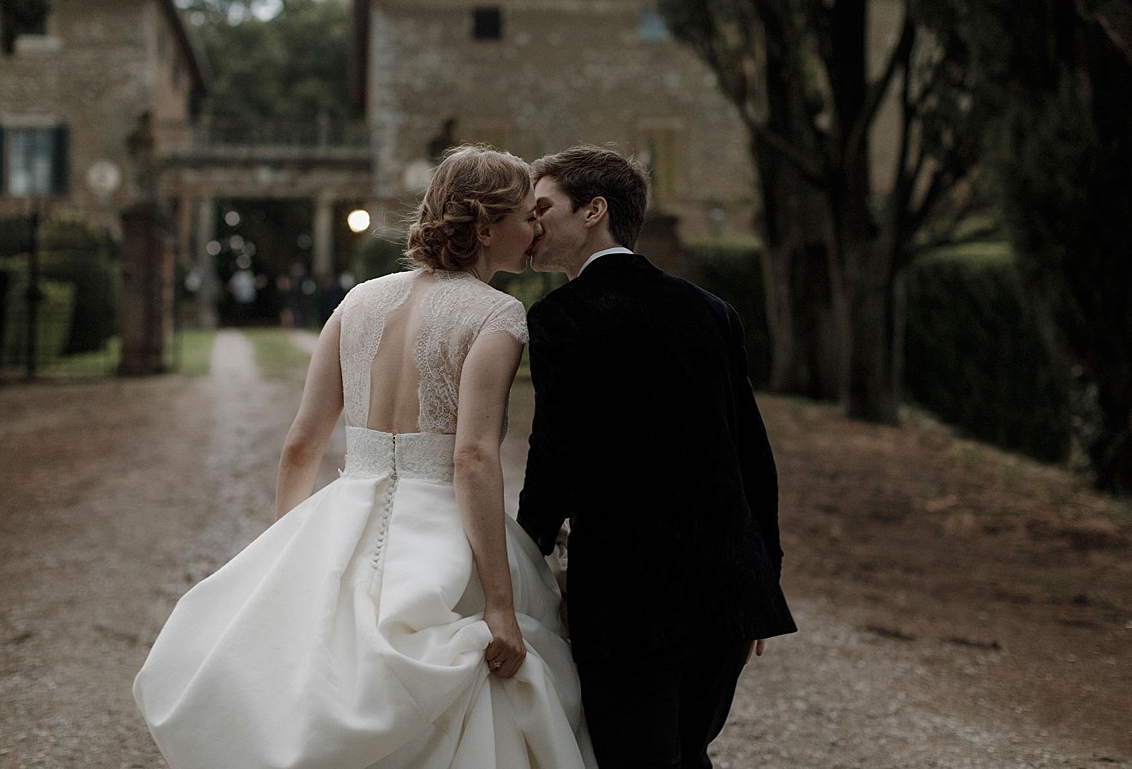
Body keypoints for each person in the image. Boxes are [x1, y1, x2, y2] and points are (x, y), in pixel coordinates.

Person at [134, 146, 596, 769]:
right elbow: (474, 460)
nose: (537, 227)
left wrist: (291, 546)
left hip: (347, 506)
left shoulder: (359, 301)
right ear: (486, 228)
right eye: (524, 215)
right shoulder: (498, 314)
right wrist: (498, 603)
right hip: (442, 530)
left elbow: (302, 441)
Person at [517, 145, 796, 768]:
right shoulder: (712, 310)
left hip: (626, 596)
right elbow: (753, 451)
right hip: (726, 589)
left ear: (594, 210)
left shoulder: (560, 316)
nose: (531, 225)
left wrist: (525, 549)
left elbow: (555, 449)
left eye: (542, 208)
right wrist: (762, 575)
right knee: (687, 754)